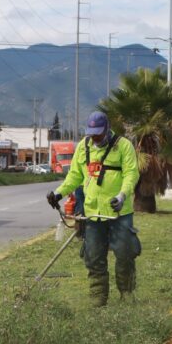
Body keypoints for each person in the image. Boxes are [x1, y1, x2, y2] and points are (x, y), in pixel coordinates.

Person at [46, 111, 141, 307]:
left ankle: (126, 293)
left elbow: (131, 174)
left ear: (107, 129)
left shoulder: (123, 146)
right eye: (92, 134)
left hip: (119, 213)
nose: (95, 138)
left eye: (99, 134)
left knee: (124, 254)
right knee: (94, 256)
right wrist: (58, 194)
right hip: (93, 214)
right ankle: (98, 298)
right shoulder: (83, 147)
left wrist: (121, 196)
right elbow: (74, 176)